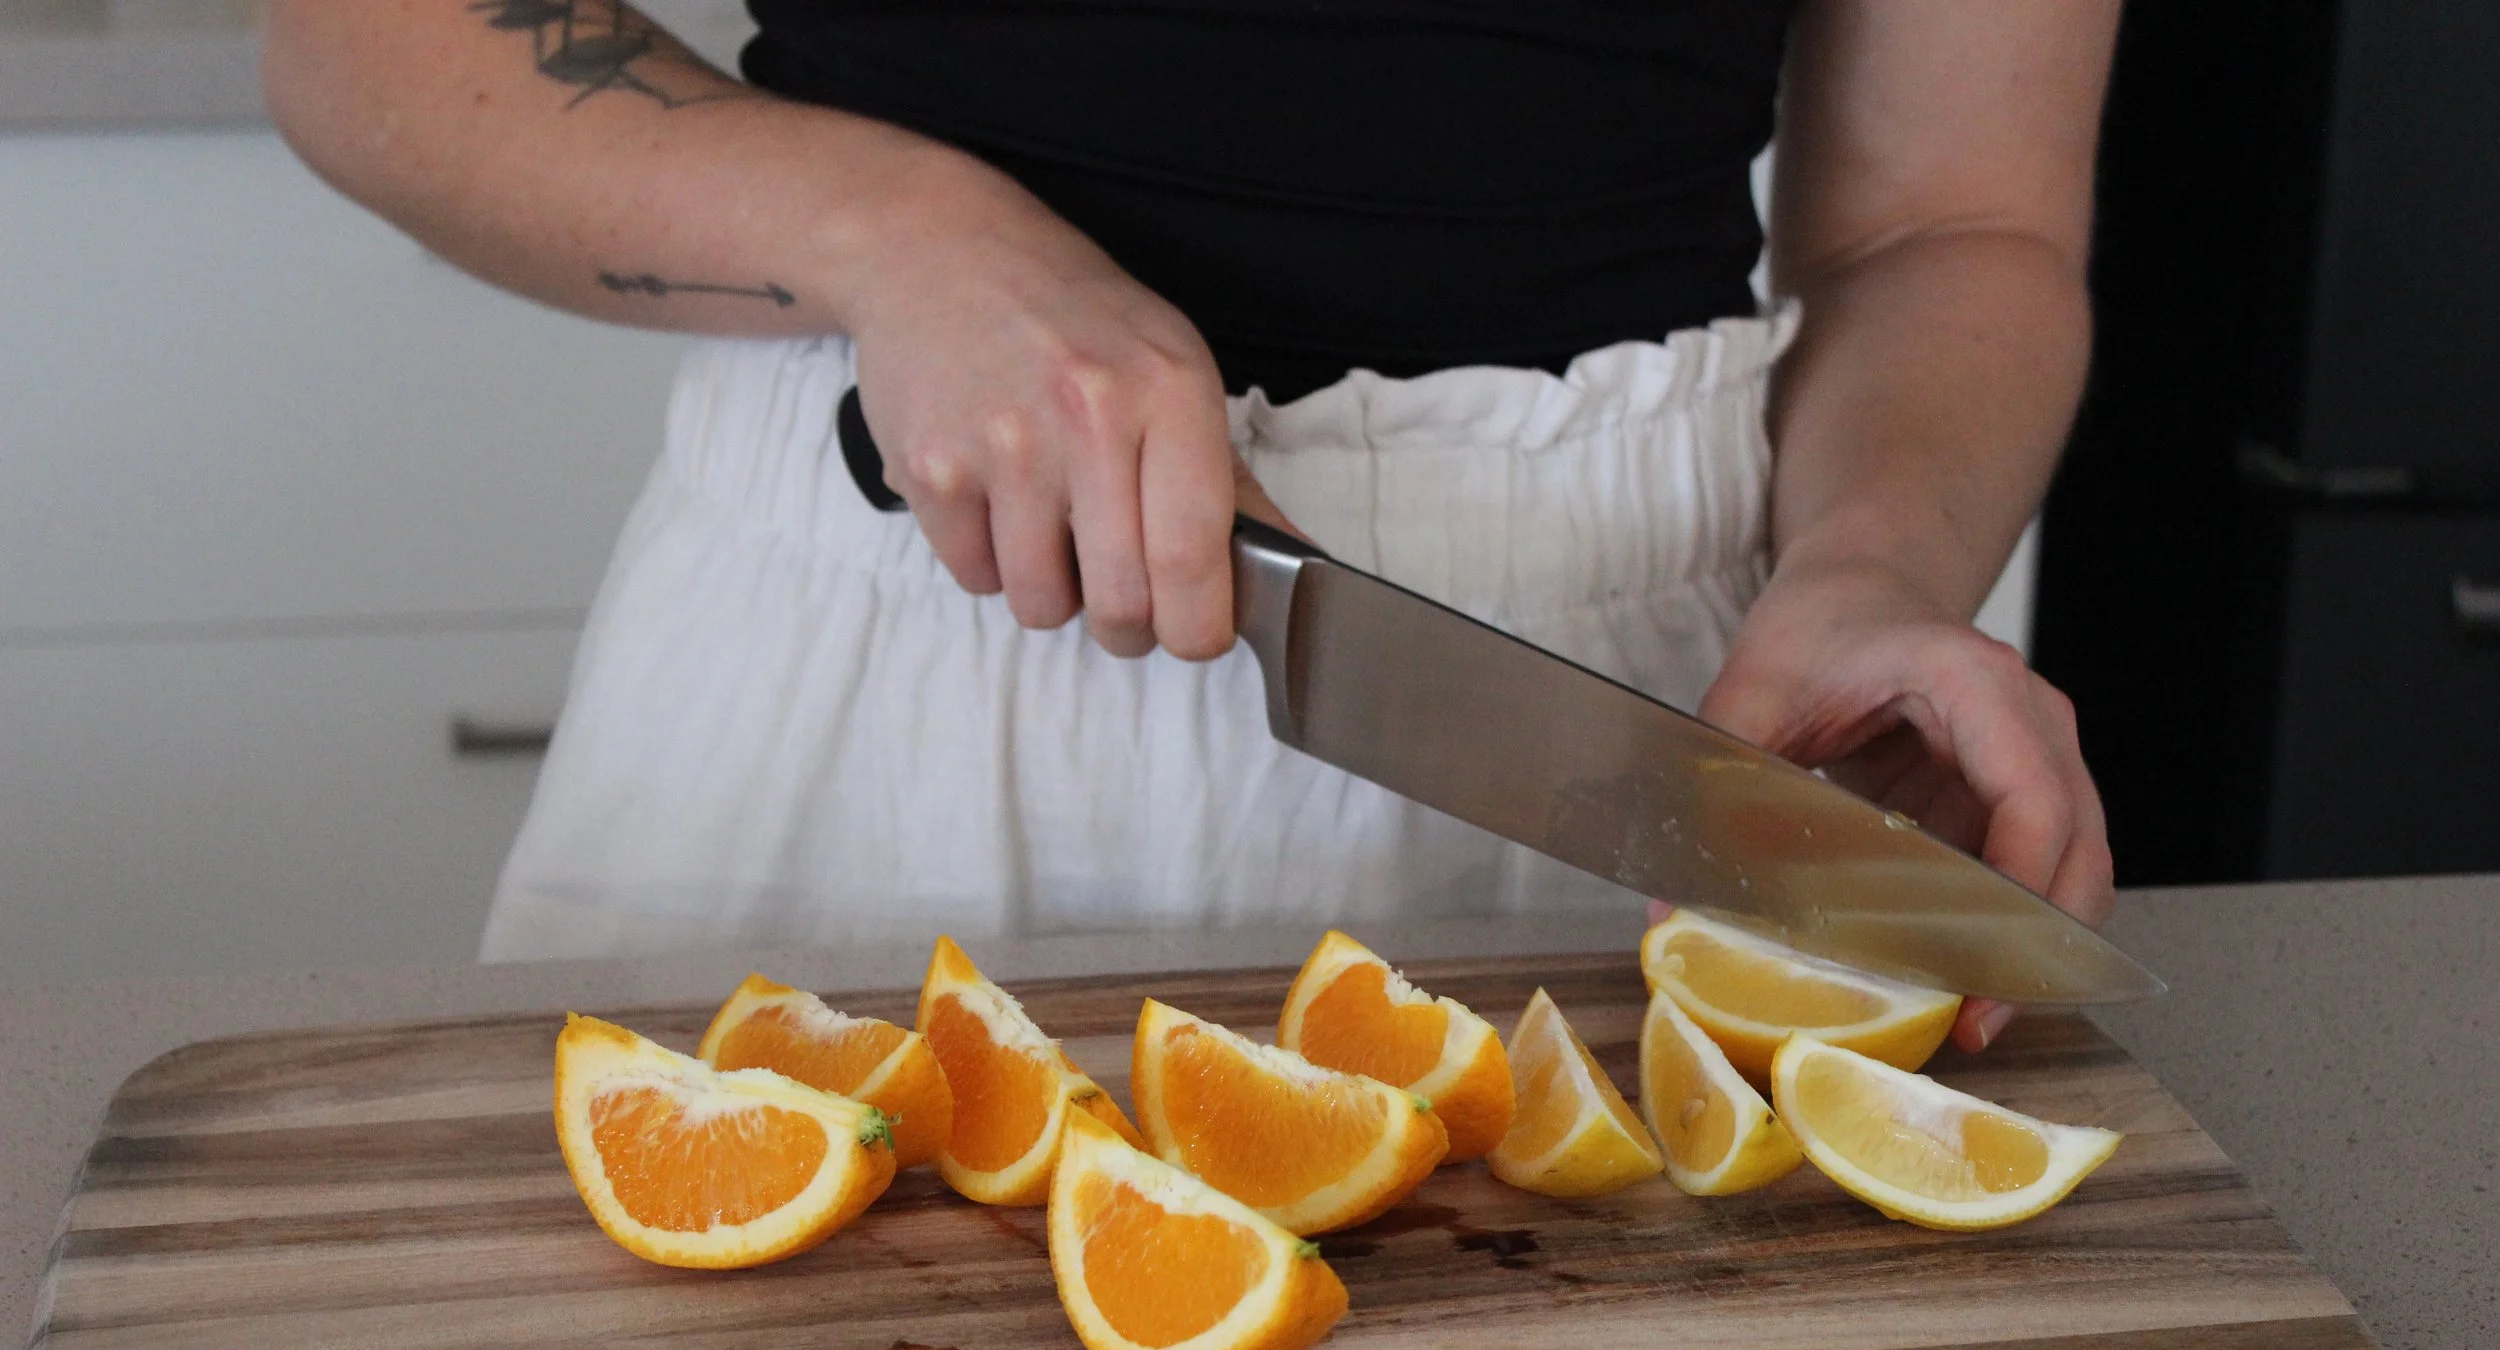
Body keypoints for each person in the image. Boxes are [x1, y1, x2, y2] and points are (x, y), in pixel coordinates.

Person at [263, 0, 2118, 1052]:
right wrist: (898, 234)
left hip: (1628, 719)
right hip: (878, 627)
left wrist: (1866, 569)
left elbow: (1948, 222)